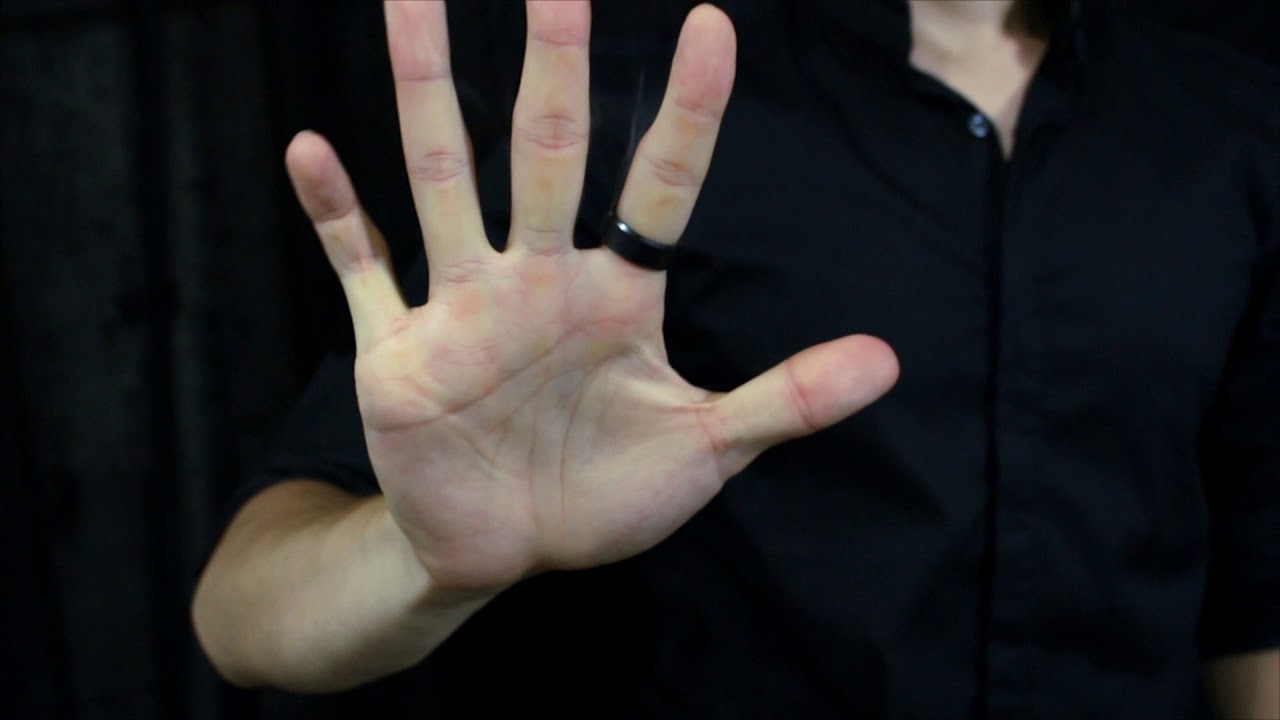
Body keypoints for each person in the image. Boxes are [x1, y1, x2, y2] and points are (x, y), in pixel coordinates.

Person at [192, 0, 1279, 716]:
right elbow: (239, 611)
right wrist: (418, 559)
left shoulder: (1230, 119)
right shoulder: (643, 109)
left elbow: (1255, 606)